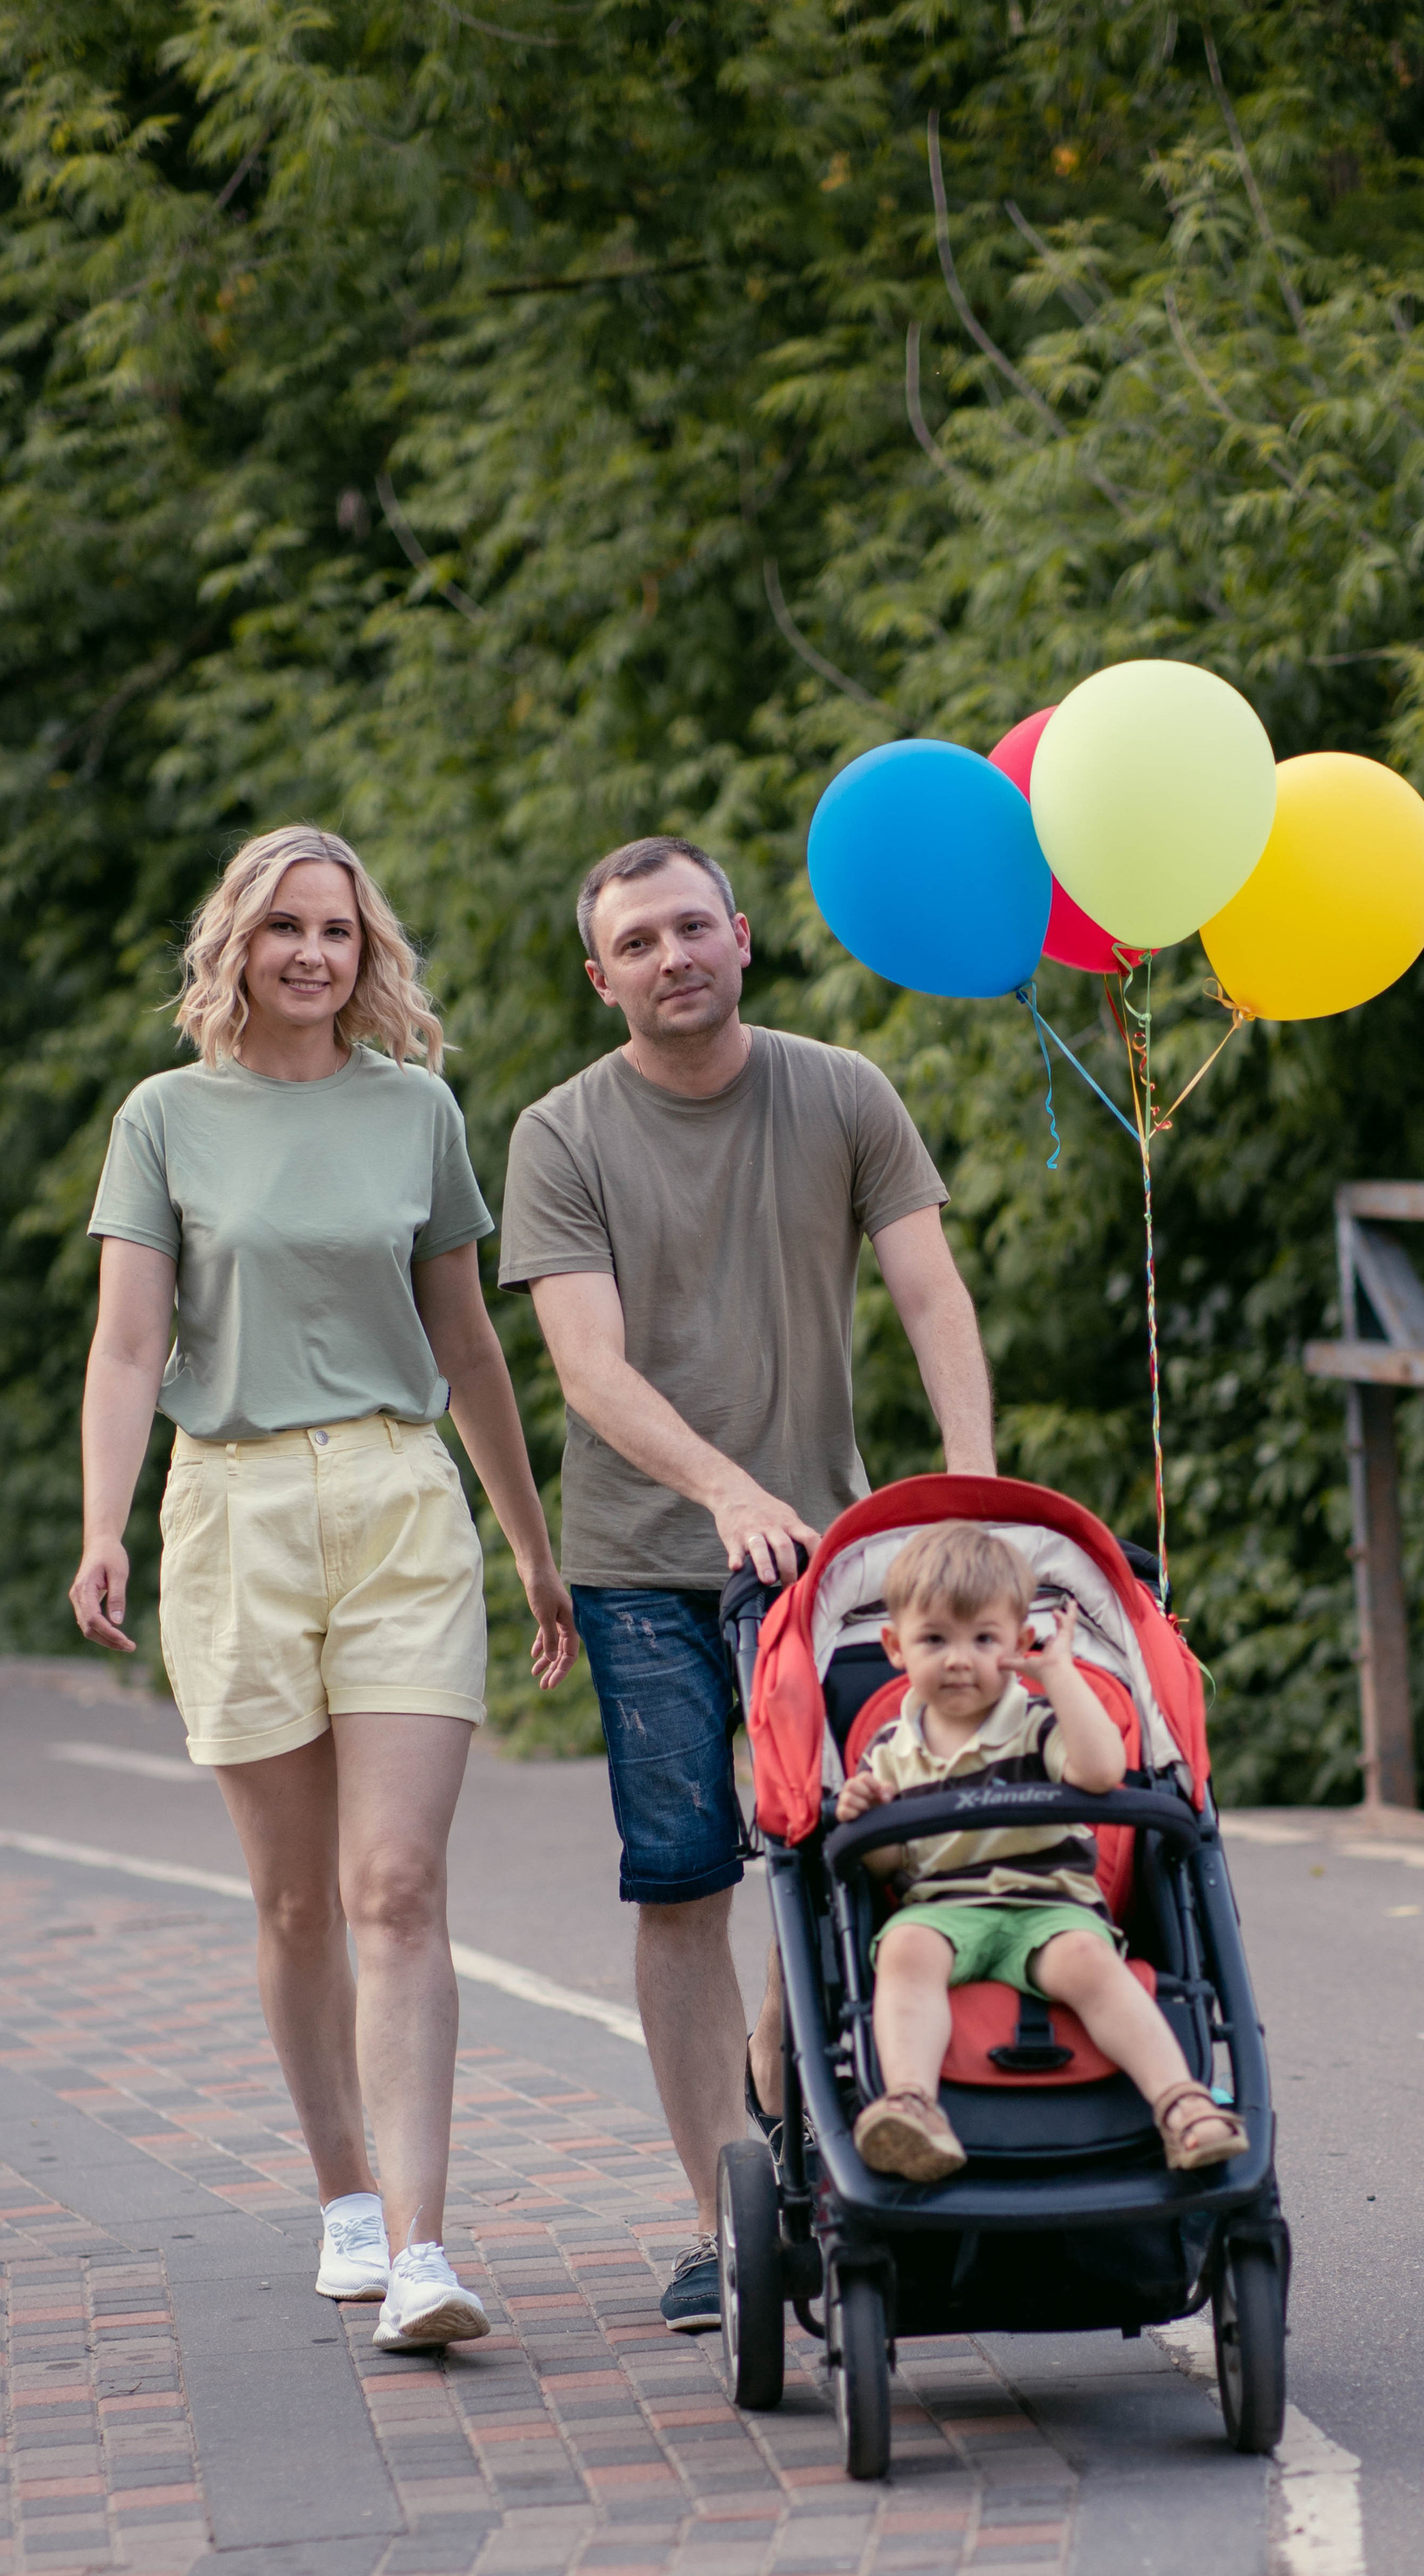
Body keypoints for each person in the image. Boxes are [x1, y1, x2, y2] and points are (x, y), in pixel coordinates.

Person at [69, 824, 576, 2352]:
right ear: (238, 944)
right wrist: (108, 1524)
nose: (310, 953)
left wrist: (533, 1546)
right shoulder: (165, 1118)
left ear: (368, 955)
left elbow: (470, 1344)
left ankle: (423, 2249)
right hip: (230, 1511)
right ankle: (347, 2199)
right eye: (284, 926)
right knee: (295, 1901)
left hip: (398, 1501)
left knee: (396, 1887)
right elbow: (129, 1346)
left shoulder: (416, 1111)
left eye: (337, 932)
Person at [498, 833, 995, 2329]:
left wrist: (968, 1503)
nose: (672, 958)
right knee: (683, 1882)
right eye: (638, 943)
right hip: (643, 1567)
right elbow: (588, 1366)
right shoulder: (561, 1134)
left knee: (844, 1849)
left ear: (744, 936)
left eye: (691, 928)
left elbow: (932, 1294)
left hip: (832, 1562)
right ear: (604, 979)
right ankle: (729, 2215)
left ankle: (799, 2137)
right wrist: (724, 1490)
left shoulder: (843, 1092)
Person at [835, 1523, 1246, 2184]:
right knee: (906, 1950)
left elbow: (1099, 1772)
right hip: (943, 1909)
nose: (961, 1660)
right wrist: (870, 1817)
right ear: (894, 1646)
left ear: (1021, 1642)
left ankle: (1181, 2101)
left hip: (1047, 1905)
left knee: (1092, 1964)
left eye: (985, 1640)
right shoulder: (890, 1750)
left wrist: (1062, 1680)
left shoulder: (1037, 1720)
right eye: (935, 1639)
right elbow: (884, 1870)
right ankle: (911, 2104)